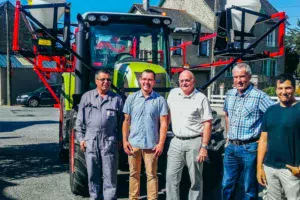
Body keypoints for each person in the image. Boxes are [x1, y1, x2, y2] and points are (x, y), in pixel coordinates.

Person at [222, 63, 274, 200]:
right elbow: (226, 114)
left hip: (250, 148)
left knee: (248, 187)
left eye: (242, 77)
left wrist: (264, 138)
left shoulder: (259, 96)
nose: (239, 80)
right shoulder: (230, 94)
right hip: (231, 147)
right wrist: (228, 136)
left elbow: (275, 116)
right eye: (236, 77)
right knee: (227, 185)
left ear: (249, 77)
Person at [75, 70, 123, 200]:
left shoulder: (116, 99)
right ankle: (94, 196)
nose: (106, 82)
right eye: (103, 79)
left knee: (110, 173)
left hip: (109, 140)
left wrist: (120, 139)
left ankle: (109, 197)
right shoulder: (87, 97)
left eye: (108, 80)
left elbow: (122, 122)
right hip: (91, 140)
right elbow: (79, 121)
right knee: (92, 173)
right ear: (96, 81)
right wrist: (81, 139)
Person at [166, 70, 213, 200]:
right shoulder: (173, 94)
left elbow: (207, 123)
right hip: (176, 141)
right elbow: (167, 116)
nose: (184, 83)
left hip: (195, 142)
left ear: (193, 82)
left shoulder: (201, 98)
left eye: (187, 80)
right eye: (181, 81)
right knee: (171, 177)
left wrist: (204, 146)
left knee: (195, 179)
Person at [122, 69, 168, 200]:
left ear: (153, 82)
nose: (146, 82)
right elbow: (126, 120)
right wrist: (125, 141)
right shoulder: (131, 98)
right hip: (133, 143)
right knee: (133, 174)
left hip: (151, 145)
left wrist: (161, 143)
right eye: (144, 79)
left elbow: (164, 123)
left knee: (152, 175)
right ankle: (133, 198)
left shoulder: (160, 100)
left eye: (150, 80)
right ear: (140, 80)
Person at [257, 74, 300, 199]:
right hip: (270, 167)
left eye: (288, 88)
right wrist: (259, 167)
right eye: (280, 88)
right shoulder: (270, 111)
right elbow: (263, 139)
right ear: (276, 90)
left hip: (292, 170)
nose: (284, 92)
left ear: (294, 88)